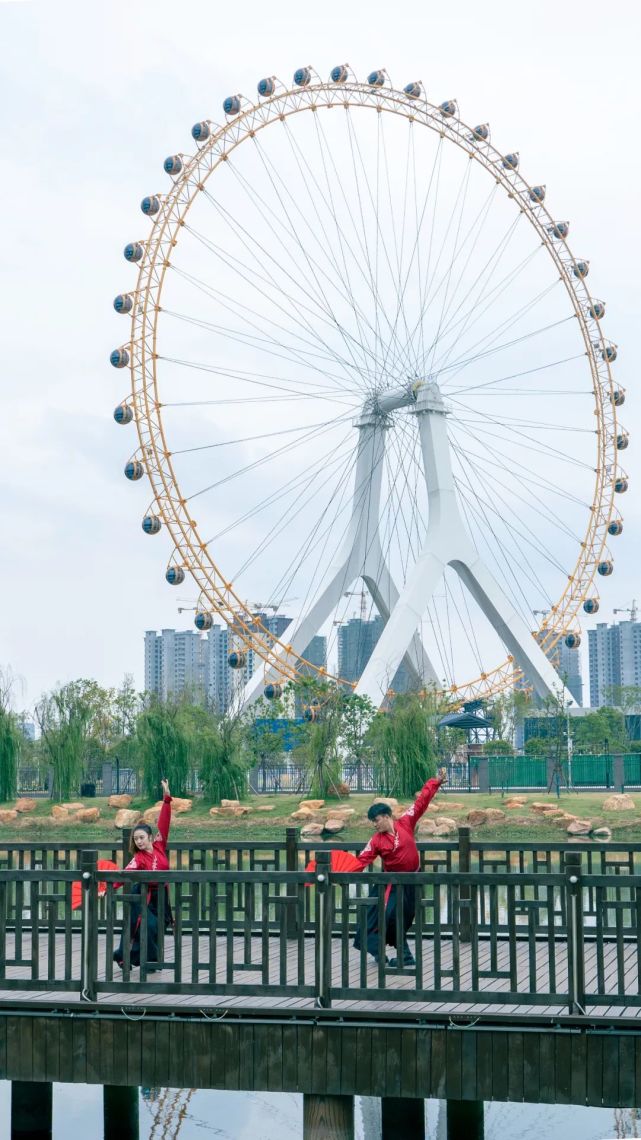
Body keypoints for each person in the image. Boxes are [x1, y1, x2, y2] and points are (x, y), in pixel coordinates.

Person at [353, 767, 447, 967]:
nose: (375, 825)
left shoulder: (406, 822)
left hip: (412, 881)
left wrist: (436, 782)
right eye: (372, 823)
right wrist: (340, 872)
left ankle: (401, 955)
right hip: (391, 885)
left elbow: (421, 802)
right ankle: (396, 955)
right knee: (386, 916)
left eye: (376, 821)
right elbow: (361, 860)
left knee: (403, 917)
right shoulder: (376, 840)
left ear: (387, 817)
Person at [113, 777, 172, 971]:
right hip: (143, 896)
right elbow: (124, 874)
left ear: (149, 836)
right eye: (136, 839)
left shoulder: (159, 846)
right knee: (149, 925)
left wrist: (166, 799)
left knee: (156, 928)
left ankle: (142, 960)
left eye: (141, 837)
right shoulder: (138, 858)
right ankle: (146, 962)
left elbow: (164, 823)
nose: (138, 841)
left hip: (161, 896)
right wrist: (107, 886)